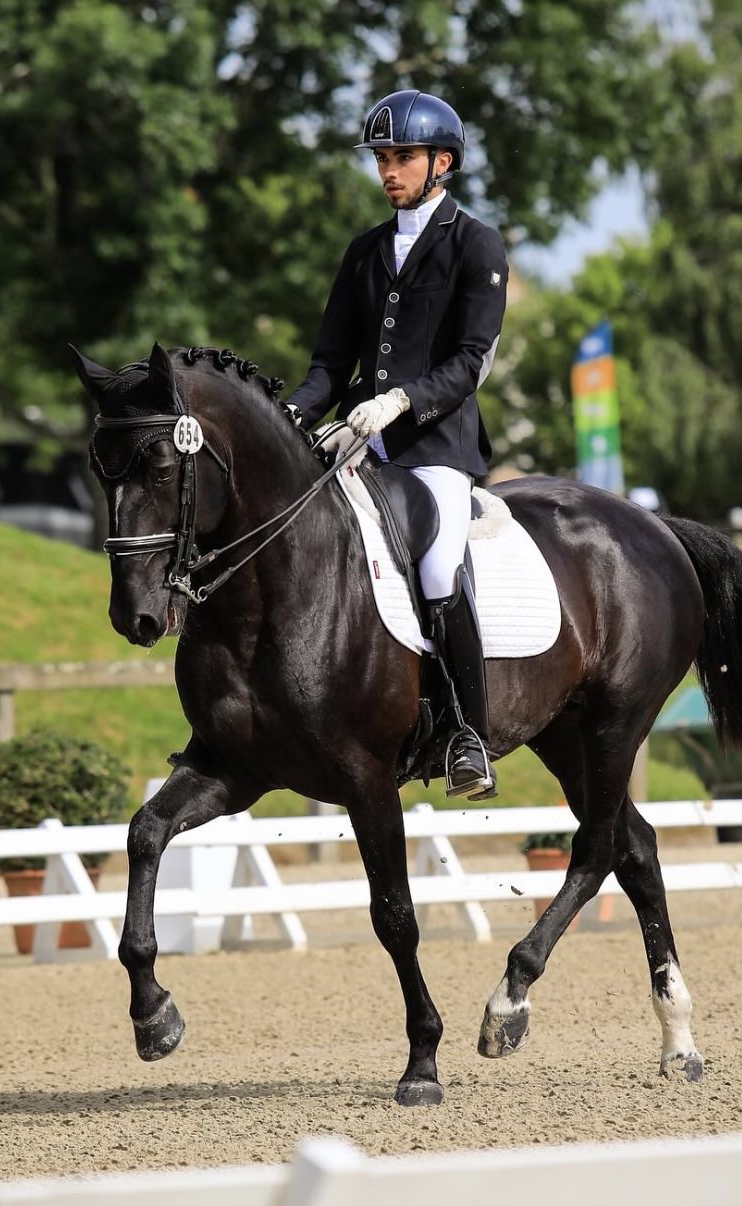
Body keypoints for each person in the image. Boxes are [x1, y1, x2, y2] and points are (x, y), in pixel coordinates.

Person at [284, 88, 509, 800]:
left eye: (402, 157)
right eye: (382, 157)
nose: (389, 170)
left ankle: (468, 734)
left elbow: (472, 360)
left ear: (443, 161)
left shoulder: (476, 245)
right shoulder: (364, 252)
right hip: (360, 442)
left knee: (439, 566)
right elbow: (330, 364)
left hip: (435, 448)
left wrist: (402, 400)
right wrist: (288, 413)